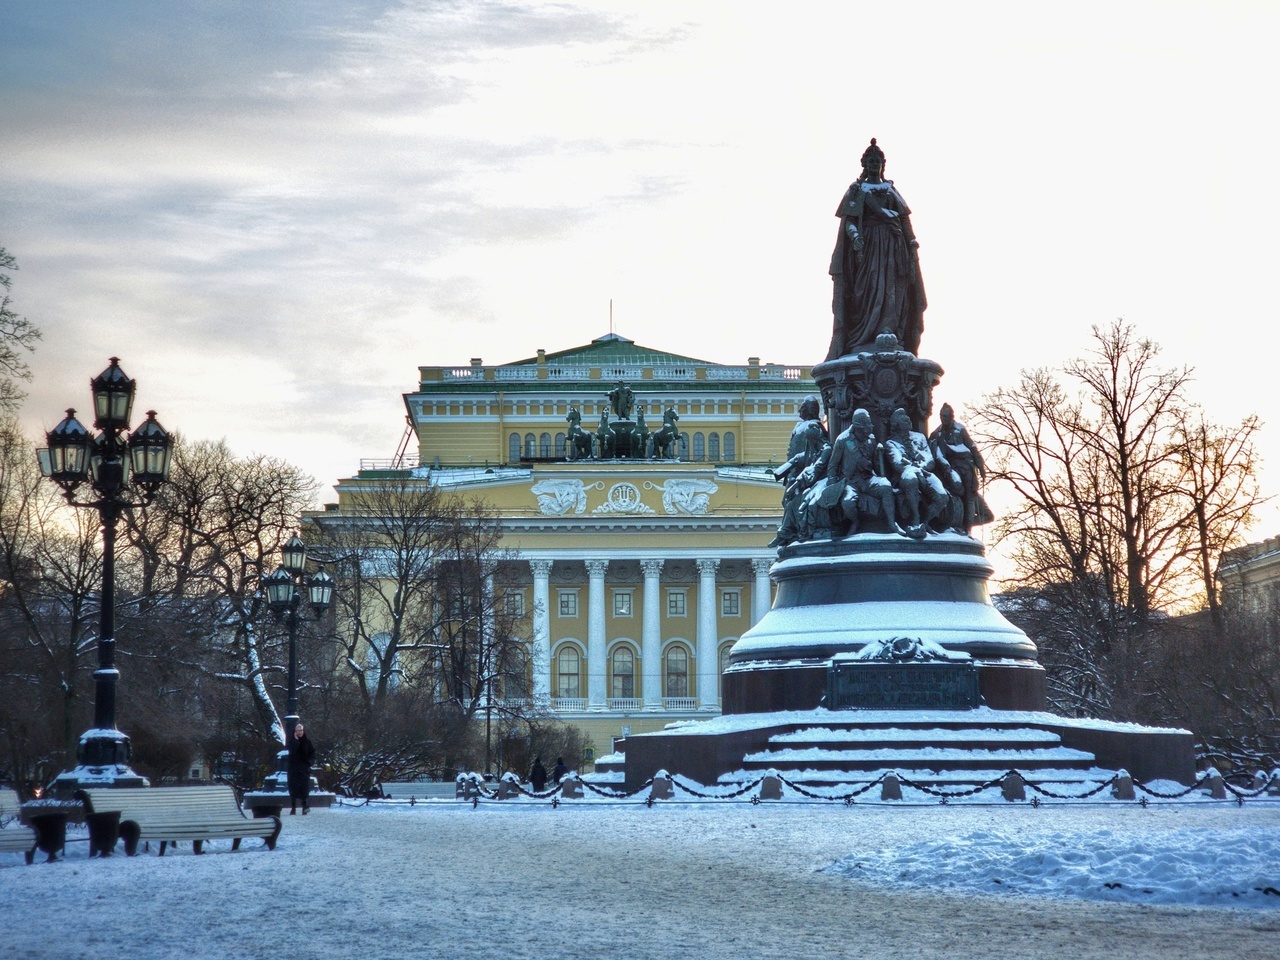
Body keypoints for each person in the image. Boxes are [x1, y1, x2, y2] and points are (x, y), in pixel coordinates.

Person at [826, 138, 927, 360]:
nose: (874, 164)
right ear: (864, 164)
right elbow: (849, 220)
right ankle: (862, 337)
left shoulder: (891, 190)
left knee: (894, 290)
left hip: (893, 247)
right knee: (866, 288)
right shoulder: (857, 190)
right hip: (868, 248)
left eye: (878, 160)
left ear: (883, 164)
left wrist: (911, 244)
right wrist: (854, 236)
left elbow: (904, 220)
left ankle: (890, 332)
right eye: (870, 160)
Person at [929, 403, 992, 534]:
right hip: (951, 468)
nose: (944, 418)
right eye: (942, 416)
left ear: (952, 417)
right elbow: (936, 453)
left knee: (969, 496)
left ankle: (967, 528)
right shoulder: (937, 433)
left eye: (946, 416)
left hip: (966, 467)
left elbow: (972, 447)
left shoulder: (960, 430)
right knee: (958, 491)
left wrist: (981, 466)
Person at [885, 407, 949, 534]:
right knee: (911, 479)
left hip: (924, 472)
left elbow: (930, 459)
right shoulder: (891, 443)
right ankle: (915, 519)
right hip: (905, 475)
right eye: (904, 421)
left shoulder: (920, 437)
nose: (909, 422)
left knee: (942, 497)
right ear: (897, 425)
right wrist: (914, 469)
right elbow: (898, 464)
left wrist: (921, 467)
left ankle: (925, 522)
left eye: (908, 420)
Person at [287, 722, 316, 815]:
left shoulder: (307, 742)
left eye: (301, 730)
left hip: (304, 770)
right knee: (293, 789)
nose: (300, 732)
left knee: (304, 789)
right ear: (295, 732)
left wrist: (309, 763)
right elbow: (291, 751)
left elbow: (312, 754)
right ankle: (293, 807)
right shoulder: (291, 742)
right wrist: (296, 740)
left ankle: (304, 807)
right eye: (298, 730)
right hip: (293, 770)